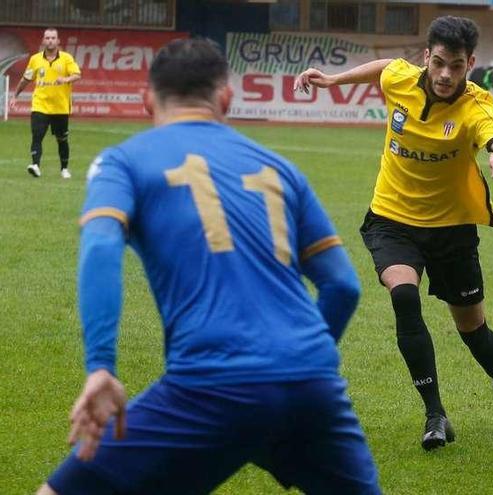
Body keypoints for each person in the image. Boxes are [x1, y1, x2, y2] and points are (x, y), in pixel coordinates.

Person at [37, 39, 380, 494]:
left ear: (146, 101)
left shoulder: (123, 161)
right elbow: (343, 286)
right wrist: (298, 367)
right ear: (226, 99)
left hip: (211, 382)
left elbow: (100, 247)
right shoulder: (281, 168)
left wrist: (101, 366)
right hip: (313, 384)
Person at [294, 15, 493, 451]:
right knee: (404, 295)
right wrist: (333, 80)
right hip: (392, 218)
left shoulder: (476, 105)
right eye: (438, 62)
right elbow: (384, 67)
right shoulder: (402, 78)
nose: (444, 74)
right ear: (426, 57)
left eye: (456, 66)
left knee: (472, 326)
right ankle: (435, 414)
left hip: (451, 229)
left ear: (469, 63)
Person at [11, 28, 81, 179]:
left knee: (61, 139)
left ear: (58, 41)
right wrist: (15, 95)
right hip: (40, 105)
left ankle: (64, 169)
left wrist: (66, 79)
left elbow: (77, 74)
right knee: (37, 136)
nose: (50, 40)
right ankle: (35, 165)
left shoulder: (66, 58)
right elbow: (26, 79)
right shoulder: (35, 59)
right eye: (47, 38)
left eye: (53, 38)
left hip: (60, 107)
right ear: (43, 41)